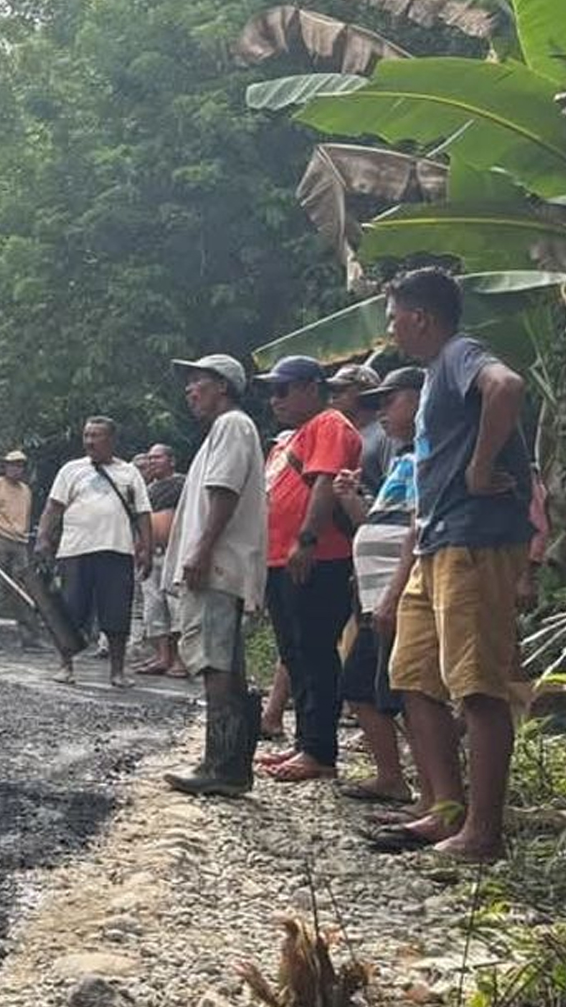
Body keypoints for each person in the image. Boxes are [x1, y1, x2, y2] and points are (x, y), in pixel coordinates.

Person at [371, 268, 535, 862]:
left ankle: (482, 834)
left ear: (420, 317)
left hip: (475, 541)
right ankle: (444, 809)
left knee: (477, 688)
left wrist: (479, 466)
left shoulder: (463, 353)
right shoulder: (437, 371)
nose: (390, 328)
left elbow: (508, 387)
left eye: (394, 317)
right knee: (414, 673)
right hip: (438, 542)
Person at [160, 355, 268, 797]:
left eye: (198, 382)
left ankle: (221, 765)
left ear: (222, 386)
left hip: (218, 561)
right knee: (223, 658)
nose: (190, 390)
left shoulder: (231, 426)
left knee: (214, 660)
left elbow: (223, 491)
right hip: (221, 560)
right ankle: (231, 765)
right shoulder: (227, 430)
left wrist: (202, 549)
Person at [254, 355, 364, 783]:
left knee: (316, 651)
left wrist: (307, 539)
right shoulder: (291, 437)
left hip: (317, 557)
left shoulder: (329, 424)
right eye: (271, 391)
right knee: (294, 652)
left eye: (283, 389)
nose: (275, 399)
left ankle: (320, 750)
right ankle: (305, 742)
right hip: (281, 558)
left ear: (311, 387)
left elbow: (323, 482)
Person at [332, 366, 425, 807]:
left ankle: (430, 792)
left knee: (408, 693)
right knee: (367, 688)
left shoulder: (431, 456)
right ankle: (394, 777)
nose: (382, 410)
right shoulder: (405, 458)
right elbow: (376, 524)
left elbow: (418, 531)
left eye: (392, 399)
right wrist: (352, 498)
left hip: (398, 594)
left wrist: (392, 595)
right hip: (377, 595)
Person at [37, 417, 152, 688]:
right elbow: (53, 507)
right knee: (70, 611)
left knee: (116, 613)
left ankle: (117, 672)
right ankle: (66, 666)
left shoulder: (129, 473)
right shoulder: (71, 470)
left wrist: (145, 547)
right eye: (87, 435)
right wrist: (43, 537)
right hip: (75, 551)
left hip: (117, 550)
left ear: (111, 440)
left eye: (96, 436)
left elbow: (143, 513)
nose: (89, 441)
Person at [135, 443, 189, 677]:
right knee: (153, 607)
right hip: (150, 553)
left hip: (174, 553)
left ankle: (180, 659)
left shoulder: (182, 484)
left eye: (157, 458)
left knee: (175, 606)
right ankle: (162, 656)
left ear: (171, 460)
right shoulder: (147, 490)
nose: (152, 462)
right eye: (149, 458)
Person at [0, 450, 39, 647]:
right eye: (13, 464)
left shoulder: (26, 491)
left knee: (22, 589)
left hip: (20, 541)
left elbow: (27, 517)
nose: (16, 469)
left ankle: (27, 636)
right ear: (4, 466)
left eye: (20, 465)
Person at [326, 363, 391, 497]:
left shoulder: (385, 434)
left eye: (341, 389)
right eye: (333, 390)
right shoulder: (341, 437)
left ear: (365, 392)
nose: (334, 396)